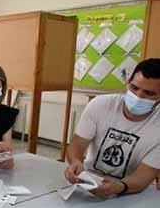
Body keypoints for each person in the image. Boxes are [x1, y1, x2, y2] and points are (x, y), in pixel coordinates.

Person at [65, 58, 160, 198]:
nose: (138, 96)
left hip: (130, 191)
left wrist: (120, 187)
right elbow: (77, 144)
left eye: (149, 93)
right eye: (134, 88)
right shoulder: (99, 105)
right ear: (127, 83)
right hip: (90, 181)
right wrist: (75, 162)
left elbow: (144, 176)